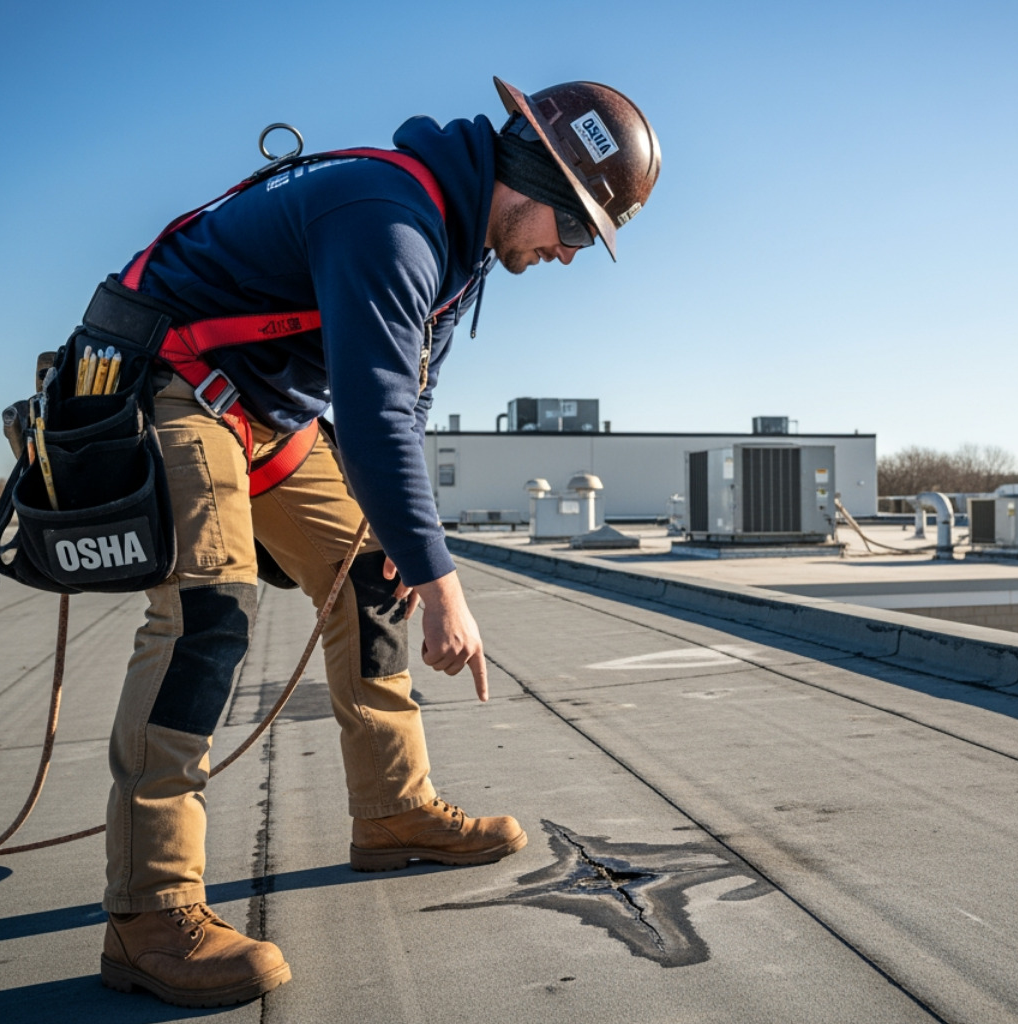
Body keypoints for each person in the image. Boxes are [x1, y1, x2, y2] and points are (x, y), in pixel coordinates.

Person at [95, 77, 660, 1008]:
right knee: (210, 610)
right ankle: (148, 913)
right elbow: (372, 413)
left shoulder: (458, 245)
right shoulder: (391, 219)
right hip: (172, 377)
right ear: (530, 179)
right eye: (573, 230)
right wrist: (447, 586)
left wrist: (403, 539)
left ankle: (393, 812)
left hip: (263, 412)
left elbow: (412, 389)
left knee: (369, 568)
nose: (567, 255)